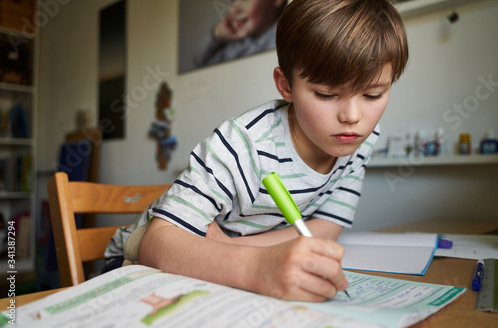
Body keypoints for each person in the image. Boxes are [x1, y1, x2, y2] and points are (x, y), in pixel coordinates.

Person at [111, 0, 408, 302]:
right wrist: (258, 267)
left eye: (373, 94)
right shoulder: (246, 143)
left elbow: (326, 227)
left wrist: (232, 249)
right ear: (286, 85)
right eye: (326, 94)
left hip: (221, 264)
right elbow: (155, 244)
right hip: (135, 263)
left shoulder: (361, 140)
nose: (352, 117)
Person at [193, 0, 287, 69]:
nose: (234, 9)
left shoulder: (286, 39)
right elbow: (201, 65)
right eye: (233, 1)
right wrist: (216, 34)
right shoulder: (238, 46)